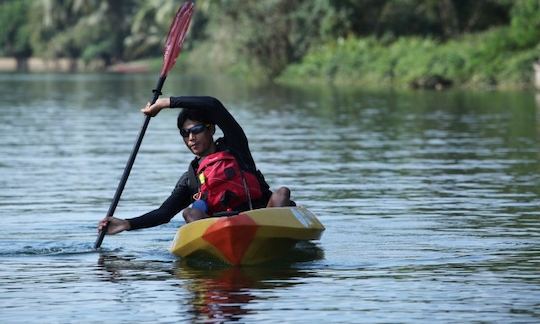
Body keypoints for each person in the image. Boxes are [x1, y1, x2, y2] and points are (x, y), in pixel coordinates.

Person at [98, 96, 294, 235]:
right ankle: (218, 241)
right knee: (190, 212)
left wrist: (166, 103)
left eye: (197, 130)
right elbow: (164, 213)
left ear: (211, 129)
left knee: (282, 192)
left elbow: (214, 105)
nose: (191, 138)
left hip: (263, 222)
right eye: (185, 133)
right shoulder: (190, 178)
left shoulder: (236, 147)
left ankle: (276, 236)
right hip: (221, 232)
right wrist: (127, 224)